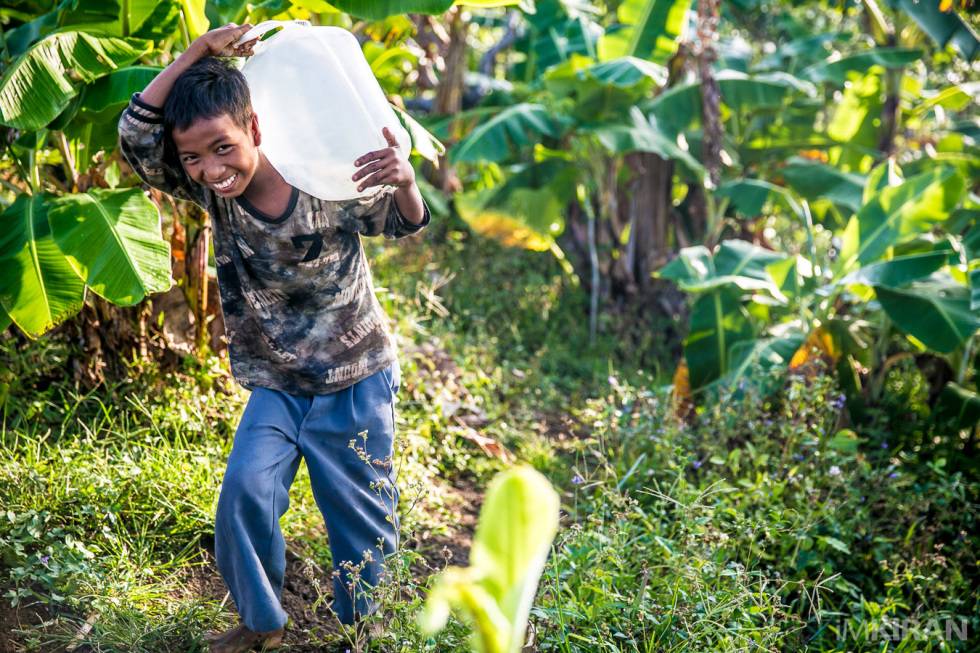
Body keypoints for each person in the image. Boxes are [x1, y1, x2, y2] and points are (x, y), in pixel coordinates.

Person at [118, 23, 429, 653]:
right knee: (244, 494)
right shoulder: (212, 192)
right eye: (193, 158)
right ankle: (263, 622)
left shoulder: (321, 176)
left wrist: (405, 180)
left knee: (361, 521)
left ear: (255, 129)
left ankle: (367, 632)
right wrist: (200, 51)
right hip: (278, 383)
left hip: (356, 376)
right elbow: (137, 133)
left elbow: (404, 222)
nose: (212, 169)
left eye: (223, 148)